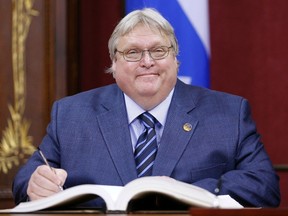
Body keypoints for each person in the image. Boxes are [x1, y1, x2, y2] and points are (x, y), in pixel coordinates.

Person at [13, 8, 280, 208]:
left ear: (176, 59)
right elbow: (25, 181)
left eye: (159, 51)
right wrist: (35, 184)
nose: (147, 61)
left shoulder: (228, 114)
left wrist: (188, 191)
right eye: (132, 53)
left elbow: (264, 186)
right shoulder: (71, 115)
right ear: (114, 65)